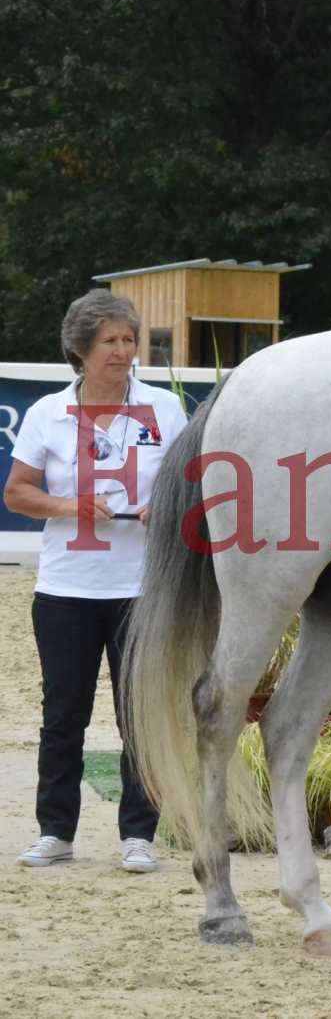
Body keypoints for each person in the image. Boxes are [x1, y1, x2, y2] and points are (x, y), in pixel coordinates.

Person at [4, 289, 188, 872]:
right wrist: (70, 506)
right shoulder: (46, 414)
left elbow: (193, 486)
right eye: (108, 341)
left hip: (142, 589)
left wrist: (172, 507)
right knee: (64, 714)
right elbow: (18, 493)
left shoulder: (164, 408)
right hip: (66, 590)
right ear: (80, 349)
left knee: (139, 714)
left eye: (129, 339)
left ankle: (139, 834)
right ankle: (55, 831)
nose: (121, 350)